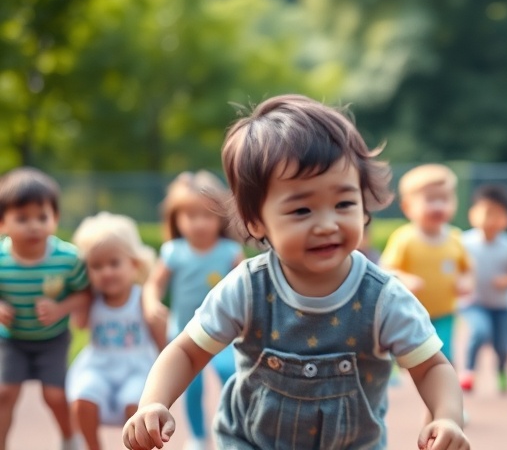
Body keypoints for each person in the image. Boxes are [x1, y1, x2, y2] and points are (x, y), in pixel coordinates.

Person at [122, 95, 468, 450]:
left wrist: (447, 417)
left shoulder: (382, 298)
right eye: (302, 210)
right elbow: (186, 351)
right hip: (251, 442)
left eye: (344, 203)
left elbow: (431, 367)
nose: (327, 224)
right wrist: (153, 402)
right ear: (257, 220)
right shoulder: (247, 288)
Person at [141, 170, 244, 450]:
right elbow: (154, 285)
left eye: (207, 215)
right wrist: (152, 302)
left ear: (220, 217)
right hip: (184, 334)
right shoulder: (173, 251)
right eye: (190, 215)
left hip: (224, 333)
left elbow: (246, 288)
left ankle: (231, 431)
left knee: (230, 376)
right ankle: (198, 436)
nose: (199, 223)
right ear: (176, 219)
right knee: (191, 387)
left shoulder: (229, 251)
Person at [0, 167, 91, 450]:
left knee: (54, 395)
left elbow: (86, 293)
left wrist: (62, 307)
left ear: (56, 218)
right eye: (22, 218)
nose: (34, 226)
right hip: (12, 340)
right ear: (3, 222)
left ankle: (68, 438)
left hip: (52, 340)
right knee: (4, 393)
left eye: (43, 217)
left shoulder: (67, 259)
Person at [67, 212, 160, 450]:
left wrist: (163, 373)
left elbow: (162, 339)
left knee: (135, 404)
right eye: (96, 266)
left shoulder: (142, 298)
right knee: (83, 398)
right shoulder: (93, 300)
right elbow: (79, 324)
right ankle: (93, 447)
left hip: (136, 366)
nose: (106, 272)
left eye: (114, 263)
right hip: (99, 364)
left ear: (134, 264)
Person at [379, 164, 473, 365]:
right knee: (414, 360)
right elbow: (385, 270)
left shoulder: (455, 238)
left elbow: (468, 270)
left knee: (444, 355)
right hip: (411, 313)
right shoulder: (404, 239)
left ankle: (447, 391)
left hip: (445, 313)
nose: (439, 206)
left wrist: (466, 282)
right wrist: (405, 278)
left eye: (445, 199)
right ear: (407, 207)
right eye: (430, 200)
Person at [459, 184, 507, 394]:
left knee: (502, 347)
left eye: (498, 214)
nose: (491, 220)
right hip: (473, 303)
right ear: (473, 214)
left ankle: (501, 369)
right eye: (486, 212)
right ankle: (468, 373)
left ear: (506, 219)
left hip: (500, 306)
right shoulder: (464, 242)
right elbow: (452, 268)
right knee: (479, 331)